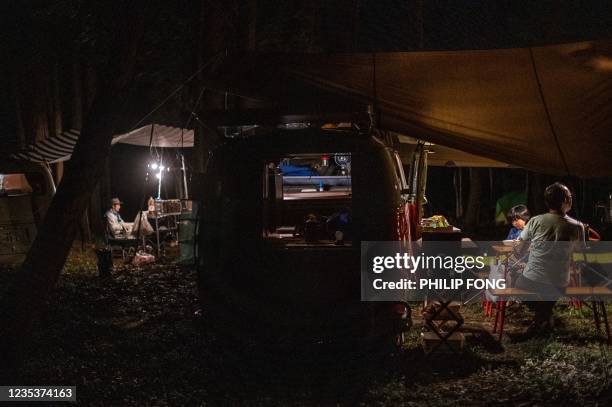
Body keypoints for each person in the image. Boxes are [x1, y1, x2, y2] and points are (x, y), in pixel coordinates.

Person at [514, 182, 584, 336]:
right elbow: (580, 251)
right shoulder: (577, 226)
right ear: (566, 200)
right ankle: (544, 318)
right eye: (570, 196)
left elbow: (519, 250)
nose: (571, 198)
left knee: (514, 280)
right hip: (560, 282)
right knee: (550, 291)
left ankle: (541, 319)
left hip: (532, 280)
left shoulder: (535, 221)